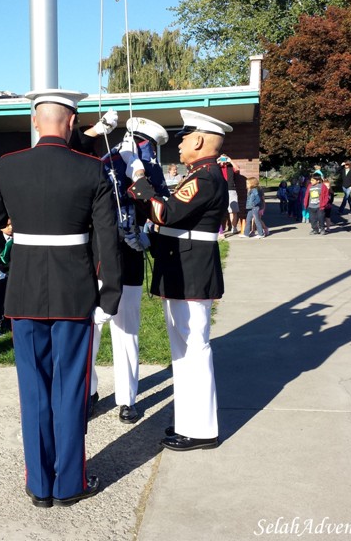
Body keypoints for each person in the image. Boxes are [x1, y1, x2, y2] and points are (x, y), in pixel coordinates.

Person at [0, 89, 121, 508]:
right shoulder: (92, 169)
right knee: (71, 389)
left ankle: (40, 484)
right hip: (75, 293)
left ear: (37, 121)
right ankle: (69, 483)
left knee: (33, 389)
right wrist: (107, 297)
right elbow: (107, 242)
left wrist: (8, 269)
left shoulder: (8, 166)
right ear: (72, 122)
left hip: (22, 293)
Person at [123, 108, 230, 452]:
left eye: (184, 137)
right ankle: (189, 421)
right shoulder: (198, 174)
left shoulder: (206, 177)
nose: (180, 144)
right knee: (182, 350)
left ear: (199, 140)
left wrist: (138, 177)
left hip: (191, 273)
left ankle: (201, 429)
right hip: (183, 270)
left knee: (194, 348)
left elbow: (166, 212)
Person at [90, 115, 169, 425]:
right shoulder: (106, 163)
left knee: (127, 332)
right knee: (92, 329)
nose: (148, 153)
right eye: (145, 145)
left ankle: (127, 399)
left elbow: (158, 204)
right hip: (100, 258)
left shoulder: (147, 169)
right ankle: (89, 392)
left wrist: (147, 232)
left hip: (132, 257)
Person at [218, 154, 241, 234]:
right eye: (222, 159)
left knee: (233, 210)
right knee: (219, 210)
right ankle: (220, 231)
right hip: (220, 190)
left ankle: (234, 228)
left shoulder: (231, 166)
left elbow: (238, 169)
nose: (223, 161)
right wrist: (217, 162)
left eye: (225, 159)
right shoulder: (217, 167)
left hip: (231, 189)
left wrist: (230, 160)